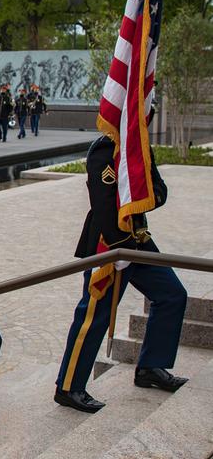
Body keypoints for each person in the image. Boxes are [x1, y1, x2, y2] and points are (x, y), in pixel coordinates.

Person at [54, 128, 188, 413]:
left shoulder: (138, 149)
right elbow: (102, 205)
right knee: (93, 316)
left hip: (138, 239)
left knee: (172, 295)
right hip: (108, 244)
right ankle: (69, 386)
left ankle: (150, 366)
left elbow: (159, 194)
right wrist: (117, 247)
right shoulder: (104, 150)